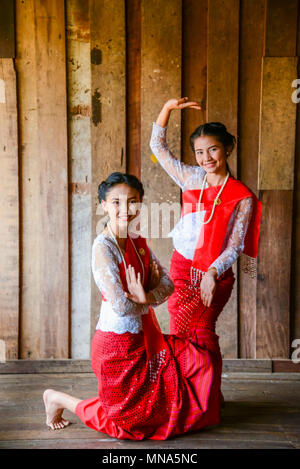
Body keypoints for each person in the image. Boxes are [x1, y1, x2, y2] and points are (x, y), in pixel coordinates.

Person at [43, 172, 224, 440]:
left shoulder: (137, 240)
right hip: (117, 346)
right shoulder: (102, 247)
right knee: (128, 424)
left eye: (132, 201)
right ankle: (58, 399)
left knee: (202, 361)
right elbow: (119, 306)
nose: (125, 209)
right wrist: (144, 297)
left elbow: (168, 284)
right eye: (116, 202)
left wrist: (146, 297)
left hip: (146, 337)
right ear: (103, 204)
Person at [150, 98, 262, 402]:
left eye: (212, 149)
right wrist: (167, 110)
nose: (206, 157)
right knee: (181, 332)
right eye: (199, 152)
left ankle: (210, 396)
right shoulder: (190, 178)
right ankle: (188, 394)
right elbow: (158, 149)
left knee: (202, 332)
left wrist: (213, 271)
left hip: (214, 272)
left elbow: (236, 244)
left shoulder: (242, 196)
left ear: (227, 148)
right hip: (181, 269)